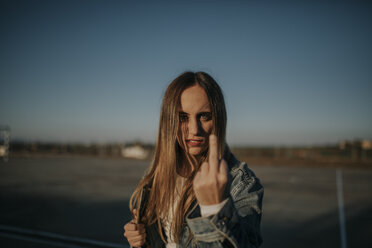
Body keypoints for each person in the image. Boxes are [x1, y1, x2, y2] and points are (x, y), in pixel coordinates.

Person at [123, 71, 264, 248]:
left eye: (204, 116)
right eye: (183, 117)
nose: (194, 129)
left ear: (218, 118)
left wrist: (215, 209)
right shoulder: (159, 171)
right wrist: (138, 239)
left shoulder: (242, 183)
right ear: (169, 121)